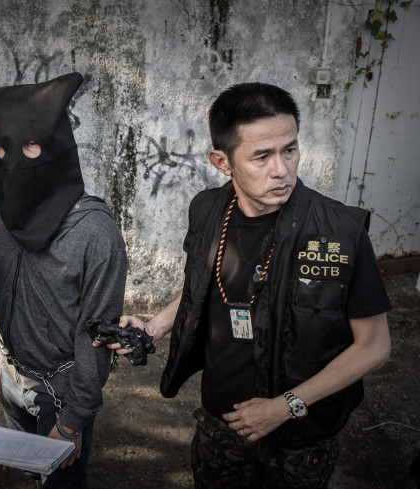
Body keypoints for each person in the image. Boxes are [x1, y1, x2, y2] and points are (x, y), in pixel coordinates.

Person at [101, 82, 392, 488]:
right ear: (222, 161)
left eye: (289, 149)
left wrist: (285, 406)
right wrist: (155, 327)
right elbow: (202, 281)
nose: (282, 169)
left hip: (300, 437)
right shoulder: (206, 209)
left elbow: (375, 345)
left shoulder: (340, 231)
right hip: (222, 419)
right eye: (262, 156)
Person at [0, 72, 127, 488]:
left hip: (62, 397)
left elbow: (97, 334)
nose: (15, 158)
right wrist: (0, 358)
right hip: (11, 381)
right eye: (0, 147)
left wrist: (72, 422)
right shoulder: (0, 213)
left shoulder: (95, 232)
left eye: (30, 144)